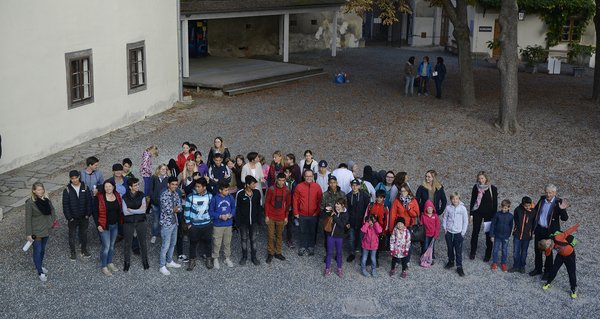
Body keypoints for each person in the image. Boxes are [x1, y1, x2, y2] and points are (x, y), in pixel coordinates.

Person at [530, 184, 569, 280]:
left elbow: (565, 218)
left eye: (550, 192)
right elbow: (535, 211)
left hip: (550, 231)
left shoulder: (558, 202)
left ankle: (548, 272)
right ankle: (538, 268)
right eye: (546, 192)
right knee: (537, 249)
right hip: (539, 229)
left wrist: (562, 209)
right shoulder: (542, 199)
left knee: (548, 251)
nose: (548, 194)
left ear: (555, 193)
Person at [25, 182, 58, 282]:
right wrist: (28, 233)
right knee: (38, 251)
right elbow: (28, 218)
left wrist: (53, 221)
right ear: (34, 191)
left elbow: (52, 210)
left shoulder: (46, 199)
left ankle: (39, 264)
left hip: (46, 229)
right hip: (36, 231)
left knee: (43, 250)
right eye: (38, 189)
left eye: (42, 189)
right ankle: (40, 271)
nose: (41, 191)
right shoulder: (30, 202)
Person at [93, 180, 123, 276]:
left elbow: (119, 209)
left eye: (110, 186)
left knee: (112, 245)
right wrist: (98, 225)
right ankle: (104, 266)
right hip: (104, 226)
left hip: (115, 225)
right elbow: (95, 212)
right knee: (106, 247)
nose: (108, 188)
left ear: (113, 187)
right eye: (106, 187)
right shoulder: (99, 197)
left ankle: (110, 262)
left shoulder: (117, 195)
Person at [542, 224, 579, 299]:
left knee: (571, 272)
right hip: (560, 256)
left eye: (547, 242)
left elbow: (567, 232)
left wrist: (576, 226)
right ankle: (548, 282)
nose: (548, 242)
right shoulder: (548, 246)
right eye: (547, 244)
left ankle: (573, 289)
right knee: (554, 269)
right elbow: (547, 254)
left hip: (570, 256)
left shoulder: (557, 237)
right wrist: (547, 249)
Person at [62, 170, 92, 261]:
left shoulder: (85, 187)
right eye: (72, 178)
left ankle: (84, 250)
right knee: (72, 236)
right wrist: (69, 218)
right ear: (70, 179)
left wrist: (88, 214)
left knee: (84, 235)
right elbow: (65, 205)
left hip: (84, 217)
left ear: (79, 177)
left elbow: (89, 202)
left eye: (76, 178)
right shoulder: (67, 190)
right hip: (73, 219)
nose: (74, 180)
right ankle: (73, 252)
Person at [184, 178, 213, 271]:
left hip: (207, 225)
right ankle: (192, 260)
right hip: (194, 226)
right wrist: (188, 223)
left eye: (199, 186)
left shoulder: (209, 196)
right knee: (193, 243)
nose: (196, 188)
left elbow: (212, 209)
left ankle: (208, 259)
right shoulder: (190, 196)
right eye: (196, 186)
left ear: (204, 187)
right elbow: (186, 210)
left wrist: (211, 220)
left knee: (208, 243)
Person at [468, 171, 498, 262]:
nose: (481, 180)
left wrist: (494, 216)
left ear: (486, 178)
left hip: (489, 214)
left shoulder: (492, 188)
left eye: (482, 178)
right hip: (477, 212)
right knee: (475, 232)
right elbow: (473, 200)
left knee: (488, 234)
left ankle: (488, 254)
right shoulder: (475, 187)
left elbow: (495, 204)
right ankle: (473, 252)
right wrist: (471, 214)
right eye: (479, 178)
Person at [121, 177, 149, 271]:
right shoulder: (124, 197)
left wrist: (132, 210)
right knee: (127, 243)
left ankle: (145, 260)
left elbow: (143, 210)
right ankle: (127, 262)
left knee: (143, 242)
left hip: (141, 221)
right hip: (128, 223)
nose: (137, 186)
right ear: (130, 187)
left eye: (138, 184)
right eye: (135, 185)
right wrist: (138, 210)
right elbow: (125, 212)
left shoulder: (142, 195)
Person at [293, 169, 323, 257]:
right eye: (307, 176)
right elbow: (295, 200)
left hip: (313, 214)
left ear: (313, 176)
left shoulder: (317, 187)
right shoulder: (299, 186)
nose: (309, 178)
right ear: (304, 177)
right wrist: (296, 212)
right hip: (302, 214)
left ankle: (311, 246)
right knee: (302, 231)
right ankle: (302, 246)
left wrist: (317, 211)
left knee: (312, 231)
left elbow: (320, 201)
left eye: (310, 176)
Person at [264, 173, 291, 263]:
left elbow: (287, 205)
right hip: (271, 216)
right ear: (276, 180)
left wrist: (286, 217)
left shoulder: (287, 190)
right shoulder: (271, 189)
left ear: (285, 181)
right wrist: (267, 215)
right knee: (271, 235)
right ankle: (270, 253)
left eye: (283, 180)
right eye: (279, 180)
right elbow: (267, 203)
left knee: (279, 236)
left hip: (281, 216)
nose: (281, 182)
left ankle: (278, 252)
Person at [235, 176, 262, 266]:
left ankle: (254, 257)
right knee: (243, 239)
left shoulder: (257, 193)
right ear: (247, 185)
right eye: (253, 184)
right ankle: (244, 257)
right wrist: (237, 222)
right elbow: (237, 208)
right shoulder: (240, 194)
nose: (255, 185)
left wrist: (259, 219)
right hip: (243, 222)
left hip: (253, 222)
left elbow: (259, 207)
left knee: (253, 240)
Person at [158, 177, 183, 275]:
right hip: (166, 224)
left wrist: (175, 209)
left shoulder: (176, 194)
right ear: (168, 184)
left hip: (174, 222)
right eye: (173, 184)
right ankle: (162, 266)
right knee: (165, 245)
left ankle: (169, 261)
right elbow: (167, 210)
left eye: (176, 184)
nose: (174, 186)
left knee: (173, 243)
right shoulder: (164, 195)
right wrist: (174, 209)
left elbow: (180, 207)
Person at [390, 183, 420, 263]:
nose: (403, 193)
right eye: (401, 191)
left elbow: (416, 214)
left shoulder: (413, 201)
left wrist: (409, 209)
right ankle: (398, 259)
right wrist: (391, 227)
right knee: (398, 243)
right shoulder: (397, 201)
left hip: (408, 225)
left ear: (408, 191)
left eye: (405, 191)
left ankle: (406, 261)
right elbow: (393, 214)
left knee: (407, 244)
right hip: (399, 226)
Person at [209, 182, 236, 269]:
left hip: (228, 224)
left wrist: (231, 215)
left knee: (227, 242)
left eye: (228, 190)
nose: (227, 191)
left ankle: (227, 258)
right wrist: (219, 216)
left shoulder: (230, 197)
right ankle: (215, 258)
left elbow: (233, 208)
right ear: (220, 190)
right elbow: (210, 212)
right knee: (217, 242)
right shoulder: (215, 199)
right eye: (225, 190)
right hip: (218, 225)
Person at [442, 192, 468, 277]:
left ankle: (459, 266)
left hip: (458, 233)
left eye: (457, 198)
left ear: (459, 199)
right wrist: (445, 228)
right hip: (449, 232)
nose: (455, 200)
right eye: (453, 199)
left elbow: (465, 221)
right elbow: (445, 218)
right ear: (451, 199)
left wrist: (463, 232)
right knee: (450, 248)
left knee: (458, 250)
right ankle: (451, 261)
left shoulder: (462, 208)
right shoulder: (448, 208)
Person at [346, 179, 370, 263]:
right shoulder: (348, 196)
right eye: (353, 185)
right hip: (352, 221)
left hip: (362, 221)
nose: (354, 187)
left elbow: (368, 209)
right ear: (351, 186)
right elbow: (347, 210)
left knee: (362, 238)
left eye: (356, 185)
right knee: (351, 238)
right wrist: (347, 221)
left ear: (359, 186)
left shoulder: (365, 195)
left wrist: (366, 220)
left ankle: (362, 254)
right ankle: (352, 253)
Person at [324, 198, 349, 278]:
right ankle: (327, 268)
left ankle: (339, 268)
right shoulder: (332, 211)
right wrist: (326, 210)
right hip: (330, 235)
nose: (336, 205)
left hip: (339, 237)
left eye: (338, 204)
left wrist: (334, 216)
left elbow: (341, 224)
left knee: (339, 253)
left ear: (343, 205)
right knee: (329, 253)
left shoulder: (346, 214)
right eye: (336, 203)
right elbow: (324, 216)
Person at [321, 175, 345, 254]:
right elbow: (321, 207)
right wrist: (325, 210)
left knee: (339, 238)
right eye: (330, 182)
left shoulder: (342, 194)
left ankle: (337, 254)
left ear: (337, 183)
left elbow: (345, 207)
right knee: (327, 238)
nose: (332, 184)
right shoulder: (325, 194)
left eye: (334, 182)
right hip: (329, 219)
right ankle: (328, 253)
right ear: (328, 183)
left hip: (339, 219)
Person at [511, 196, 536, 273]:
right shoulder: (517, 210)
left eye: (529, 205)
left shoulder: (533, 212)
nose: (528, 207)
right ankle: (515, 266)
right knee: (515, 252)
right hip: (517, 234)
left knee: (524, 252)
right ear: (522, 204)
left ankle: (522, 266)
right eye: (526, 205)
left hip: (526, 236)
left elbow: (534, 223)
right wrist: (515, 229)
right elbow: (515, 219)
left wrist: (532, 232)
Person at [148, 164, 170, 244]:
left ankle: (163, 234)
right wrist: (154, 200)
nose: (163, 170)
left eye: (165, 169)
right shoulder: (154, 178)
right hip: (155, 203)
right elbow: (150, 190)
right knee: (156, 220)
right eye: (162, 169)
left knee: (164, 220)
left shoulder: (168, 179)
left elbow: (170, 191)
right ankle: (154, 235)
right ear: (159, 169)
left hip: (165, 204)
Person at [490, 199, 513, 272]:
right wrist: (492, 235)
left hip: (505, 237)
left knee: (504, 250)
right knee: (495, 250)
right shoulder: (497, 214)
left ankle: (503, 264)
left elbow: (511, 226)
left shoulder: (510, 216)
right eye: (503, 207)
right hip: (497, 236)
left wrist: (508, 235)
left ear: (509, 208)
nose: (504, 209)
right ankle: (494, 263)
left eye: (505, 208)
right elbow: (493, 224)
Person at [421, 199, 440, 264]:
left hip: (433, 234)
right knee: (425, 246)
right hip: (426, 234)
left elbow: (437, 226)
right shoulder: (423, 216)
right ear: (426, 209)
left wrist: (436, 234)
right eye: (428, 208)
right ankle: (425, 257)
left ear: (433, 209)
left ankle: (431, 257)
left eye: (431, 208)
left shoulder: (435, 216)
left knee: (432, 246)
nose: (429, 210)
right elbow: (421, 225)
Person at [283, 167, 298, 248]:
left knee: (289, 224)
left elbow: (295, 195)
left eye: (287, 172)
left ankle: (289, 239)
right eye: (284, 172)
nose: (286, 174)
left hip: (289, 206)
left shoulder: (293, 182)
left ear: (290, 174)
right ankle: (277, 238)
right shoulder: (279, 180)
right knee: (279, 223)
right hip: (280, 206)